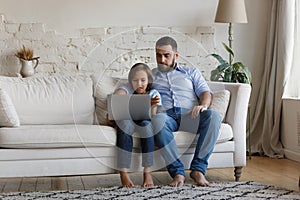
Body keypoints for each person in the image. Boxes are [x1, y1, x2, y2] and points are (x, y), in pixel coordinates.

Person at [151, 36, 221, 187]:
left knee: (213, 116)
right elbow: (133, 88)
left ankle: (198, 170)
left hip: (190, 115)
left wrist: (203, 106)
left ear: (176, 55)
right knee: (157, 120)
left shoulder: (191, 72)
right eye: (158, 55)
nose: (161, 59)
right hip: (166, 116)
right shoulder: (150, 75)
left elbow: (205, 92)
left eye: (166, 55)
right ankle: (177, 172)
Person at [113, 63, 162, 188]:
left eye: (143, 80)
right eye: (135, 80)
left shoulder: (153, 93)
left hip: (145, 119)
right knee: (125, 125)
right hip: (127, 119)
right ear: (130, 81)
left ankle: (147, 172)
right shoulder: (127, 88)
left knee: (147, 126)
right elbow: (117, 97)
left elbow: (152, 116)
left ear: (149, 80)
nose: (139, 84)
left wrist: (149, 104)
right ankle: (123, 172)